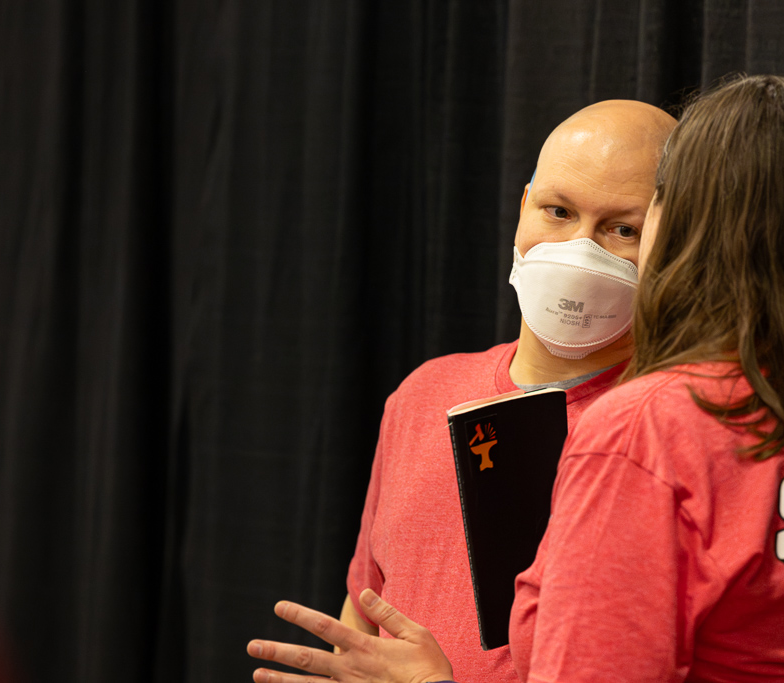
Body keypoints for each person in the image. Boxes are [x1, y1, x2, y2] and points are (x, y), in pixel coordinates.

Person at [248, 75, 784, 682]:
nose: (580, 250)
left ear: (689, 229)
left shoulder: (649, 432)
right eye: (559, 210)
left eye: (632, 221)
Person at [260, 99, 676, 683]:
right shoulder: (424, 395)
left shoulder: (669, 430)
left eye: (621, 228)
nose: (579, 250)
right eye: (558, 212)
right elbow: (367, 607)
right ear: (522, 210)